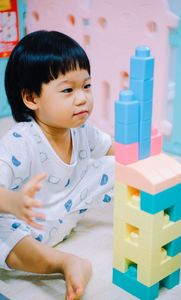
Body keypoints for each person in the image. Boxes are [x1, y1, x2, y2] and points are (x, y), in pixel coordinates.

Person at [0, 30, 114, 300]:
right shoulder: (20, 140)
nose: (82, 98)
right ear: (31, 98)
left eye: (86, 86)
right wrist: (14, 202)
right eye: (68, 90)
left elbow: (117, 152)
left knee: (119, 167)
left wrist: (150, 168)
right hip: (23, 225)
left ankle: (174, 228)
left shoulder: (84, 130)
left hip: (64, 214)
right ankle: (64, 263)